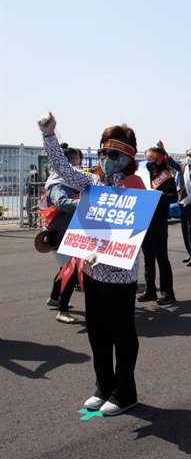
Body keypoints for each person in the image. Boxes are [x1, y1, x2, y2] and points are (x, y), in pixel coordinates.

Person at [37, 112, 145, 415]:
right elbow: (62, 169)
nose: (105, 158)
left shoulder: (136, 186)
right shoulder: (93, 181)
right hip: (92, 270)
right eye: (102, 152)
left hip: (120, 276)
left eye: (112, 153)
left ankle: (125, 393)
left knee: (122, 334)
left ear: (127, 157)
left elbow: (133, 233)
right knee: (97, 331)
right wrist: (49, 136)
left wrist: (109, 250)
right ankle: (103, 386)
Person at [43, 143, 82, 323]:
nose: (77, 168)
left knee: (65, 268)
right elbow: (62, 203)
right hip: (60, 232)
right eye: (74, 164)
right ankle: (63, 310)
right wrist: (85, 202)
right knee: (71, 270)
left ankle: (54, 298)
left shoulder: (70, 181)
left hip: (68, 230)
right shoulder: (58, 183)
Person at [136, 146, 177, 306]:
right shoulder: (144, 175)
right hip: (145, 220)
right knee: (148, 257)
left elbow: (173, 197)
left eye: (151, 158)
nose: (148, 161)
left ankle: (168, 293)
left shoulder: (166, 176)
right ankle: (150, 290)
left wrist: (158, 195)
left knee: (162, 258)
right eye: (147, 158)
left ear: (159, 159)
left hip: (158, 222)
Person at [165, 147, 191, 267]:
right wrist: (163, 150)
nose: (188, 157)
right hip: (181, 202)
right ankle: (190, 253)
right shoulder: (183, 166)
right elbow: (170, 162)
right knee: (184, 230)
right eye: (187, 154)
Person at [25, 163, 40, 228]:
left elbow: (38, 184)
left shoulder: (37, 176)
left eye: (32, 168)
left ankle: (35, 222)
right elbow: (27, 184)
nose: (31, 170)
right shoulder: (29, 176)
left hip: (35, 194)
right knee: (28, 208)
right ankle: (30, 222)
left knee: (34, 208)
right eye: (30, 169)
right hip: (29, 193)